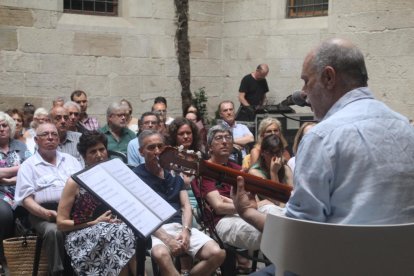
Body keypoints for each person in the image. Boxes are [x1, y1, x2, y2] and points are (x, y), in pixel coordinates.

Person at [232, 38, 414, 276]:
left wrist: (248, 213)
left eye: (306, 82)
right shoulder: (405, 128)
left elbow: (297, 240)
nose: (304, 94)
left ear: (329, 77)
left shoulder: (321, 137)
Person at [133, 130, 225, 276]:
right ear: (141, 152)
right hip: (155, 231)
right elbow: (140, 215)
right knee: (160, 254)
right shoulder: (136, 176)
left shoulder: (174, 173)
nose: (157, 151)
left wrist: (186, 231)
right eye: (151, 148)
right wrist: (167, 239)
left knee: (218, 253)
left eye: (160, 146)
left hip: (179, 227)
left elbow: (186, 206)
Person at [57, 131, 137, 275]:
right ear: (84, 156)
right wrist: (93, 222)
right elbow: (61, 223)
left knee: (125, 232)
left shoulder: (117, 176)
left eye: (102, 149)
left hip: (117, 231)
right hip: (82, 237)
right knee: (121, 234)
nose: (99, 155)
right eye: (93, 152)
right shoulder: (74, 182)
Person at [194, 125, 283, 251]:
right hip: (221, 221)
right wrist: (250, 206)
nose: (224, 141)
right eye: (219, 138)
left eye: (228, 137)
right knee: (265, 231)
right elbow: (219, 207)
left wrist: (251, 205)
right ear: (210, 147)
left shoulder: (237, 168)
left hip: (242, 211)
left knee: (275, 210)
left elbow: (251, 199)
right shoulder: (205, 170)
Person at [15, 123, 82, 275]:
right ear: (37, 140)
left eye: (54, 134)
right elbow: (26, 200)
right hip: (43, 214)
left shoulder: (71, 160)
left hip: (73, 210)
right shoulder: (28, 166)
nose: (51, 137)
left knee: (94, 226)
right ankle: (58, 272)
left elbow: (83, 188)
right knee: (54, 231)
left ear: (59, 139)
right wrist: (46, 213)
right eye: (45, 134)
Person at [0, 112, 31, 270]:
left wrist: (7, 179)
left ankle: (25, 256)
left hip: (21, 190)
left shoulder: (21, 146)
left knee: (31, 211)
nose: (1, 129)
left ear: (10, 127)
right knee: (3, 213)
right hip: (1, 194)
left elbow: (30, 167)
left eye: (4, 125)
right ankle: (3, 256)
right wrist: (18, 169)